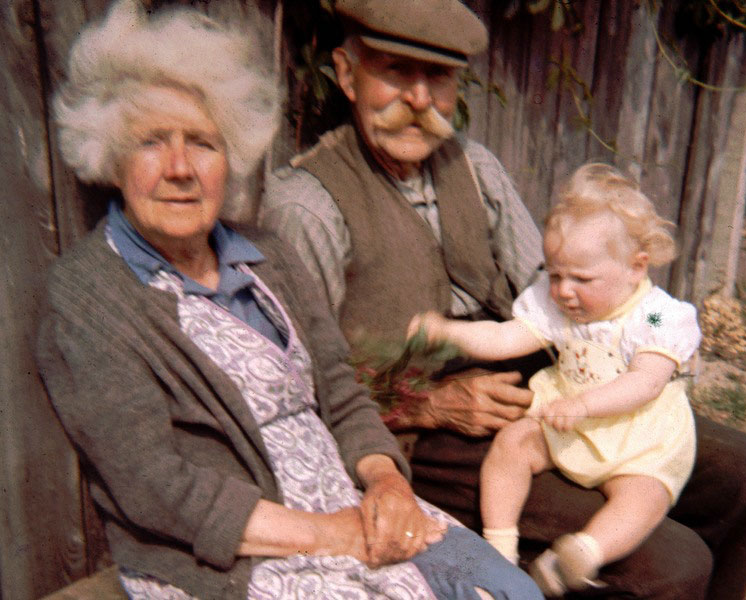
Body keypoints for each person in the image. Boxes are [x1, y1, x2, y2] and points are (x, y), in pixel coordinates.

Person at [261, 1, 746, 598]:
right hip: (425, 435)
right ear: (347, 74)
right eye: (395, 71)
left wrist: (639, 341)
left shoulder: (476, 168)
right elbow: (293, 386)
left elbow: (555, 291)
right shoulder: (309, 206)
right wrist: (428, 405)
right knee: (670, 561)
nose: (420, 99)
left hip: (543, 398)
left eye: (438, 77)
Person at [35, 2, 543, 599]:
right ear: (113, 158)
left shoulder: (267, 252)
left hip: (349, 504)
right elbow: (154, 487)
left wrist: (387, 484)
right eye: (151, 142)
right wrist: (332, 535)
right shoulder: (87, 297)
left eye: (203, 143)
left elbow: (341, 389)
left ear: (232, 156)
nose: (179, 169)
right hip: (234, 553)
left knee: (511, 593)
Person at [410, 163, 703, 596]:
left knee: (644, 496)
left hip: (635, 434)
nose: (564, 290)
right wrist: (448, 333)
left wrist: (583, 406)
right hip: (567, 417)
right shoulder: (554, 304)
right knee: (511, 446)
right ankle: (499, 548)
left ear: (636, 268)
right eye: (555, 273)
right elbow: (505, 337)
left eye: (581, 279)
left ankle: (585, 551)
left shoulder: (657, 314)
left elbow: (646, 382)